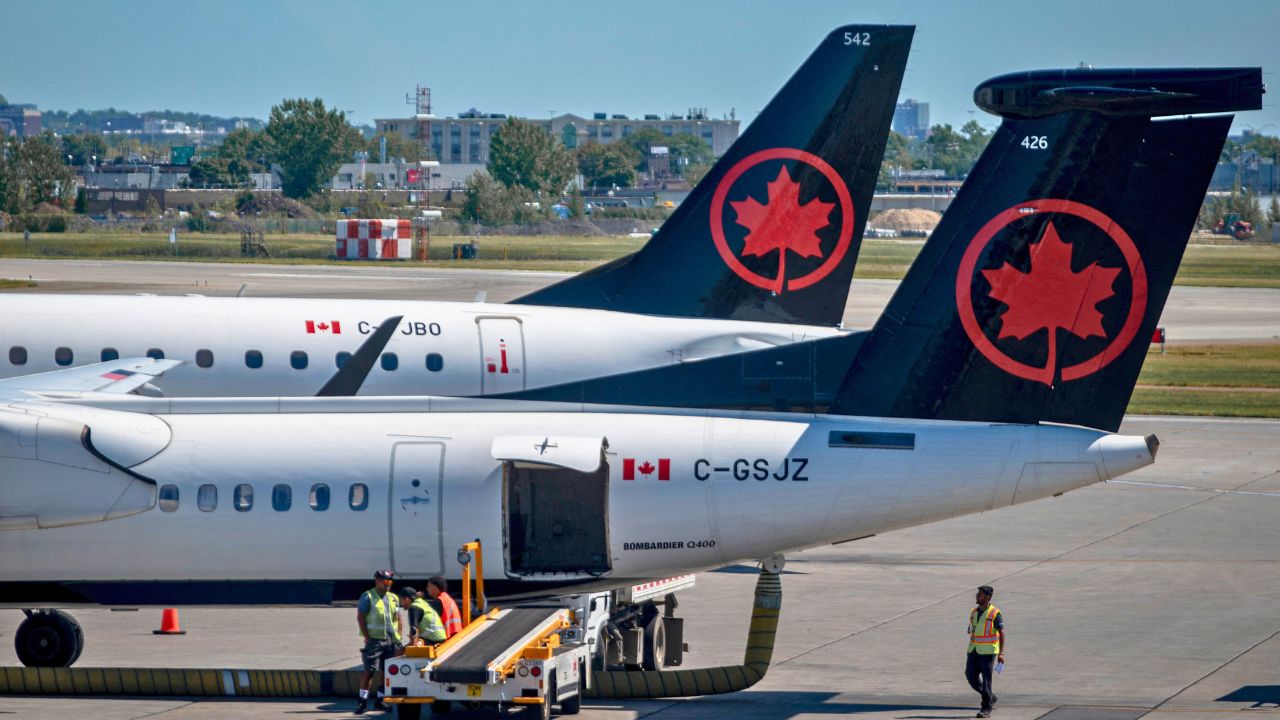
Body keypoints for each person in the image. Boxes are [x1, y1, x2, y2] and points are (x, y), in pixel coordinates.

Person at [355, 569, 403, 714]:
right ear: (377, 581)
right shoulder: (368, 596)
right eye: (384, 581)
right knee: (369, 670)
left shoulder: (393, 597)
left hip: (390, 640)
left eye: (389, 581)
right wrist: (368, 637)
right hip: (374, 640)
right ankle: (362, 701)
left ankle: (380, 701)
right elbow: (361, 617)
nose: (387, 583)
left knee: (386, 672)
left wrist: (399, 636)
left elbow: (398, 618)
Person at [965, 585, 1006, 718]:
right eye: (978, 594)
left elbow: (1002, 632)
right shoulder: (974, 612)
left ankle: (986, 708)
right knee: (970, 676)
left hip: (988, 652)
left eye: (980, 594)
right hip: (973, 650)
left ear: (988, 597)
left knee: (987, 680)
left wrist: (1001, 653)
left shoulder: (995, 614)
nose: (977, 596)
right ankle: (991, 696)